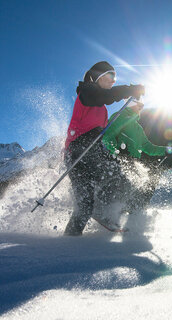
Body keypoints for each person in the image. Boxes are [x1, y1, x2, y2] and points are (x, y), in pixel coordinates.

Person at [63, 61, 144, 236]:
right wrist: (130, 89)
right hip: (78, 153)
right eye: (110, 76)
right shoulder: (87, 92)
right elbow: (101, 96)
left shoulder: (102, 109)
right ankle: (67, 244)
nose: (113, 81)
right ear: (97, 77)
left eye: (115, 77)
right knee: (85, 206)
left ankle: (104, 211)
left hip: (93, 150)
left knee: (120, 179)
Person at [101, 97, 172, 214]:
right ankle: (106, 208)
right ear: (130, 104)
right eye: (139, 105)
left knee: (150, 180)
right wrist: (116, 151)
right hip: (118, 158)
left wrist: (165, 150)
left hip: (132, 161)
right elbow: (108, 136)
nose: (141, 108)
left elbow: (148, 147)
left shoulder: (138, 128)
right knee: (126, 180)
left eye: (142, 106)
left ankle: (135, 210)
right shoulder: (121, 116)